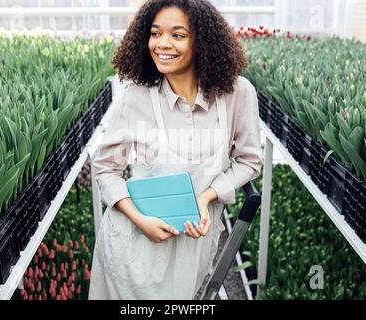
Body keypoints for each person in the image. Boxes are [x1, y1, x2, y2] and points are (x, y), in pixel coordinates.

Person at [88, 0, 262, 300]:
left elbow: (249, 161)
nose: (162, 44)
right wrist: (139, 219)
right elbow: (105, 168)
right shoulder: (136, 98)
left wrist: (207, 196)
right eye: (155, 34)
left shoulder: (237, 93)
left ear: (203, 42)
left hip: (193, 241)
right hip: (133, 240)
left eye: (177, 35)